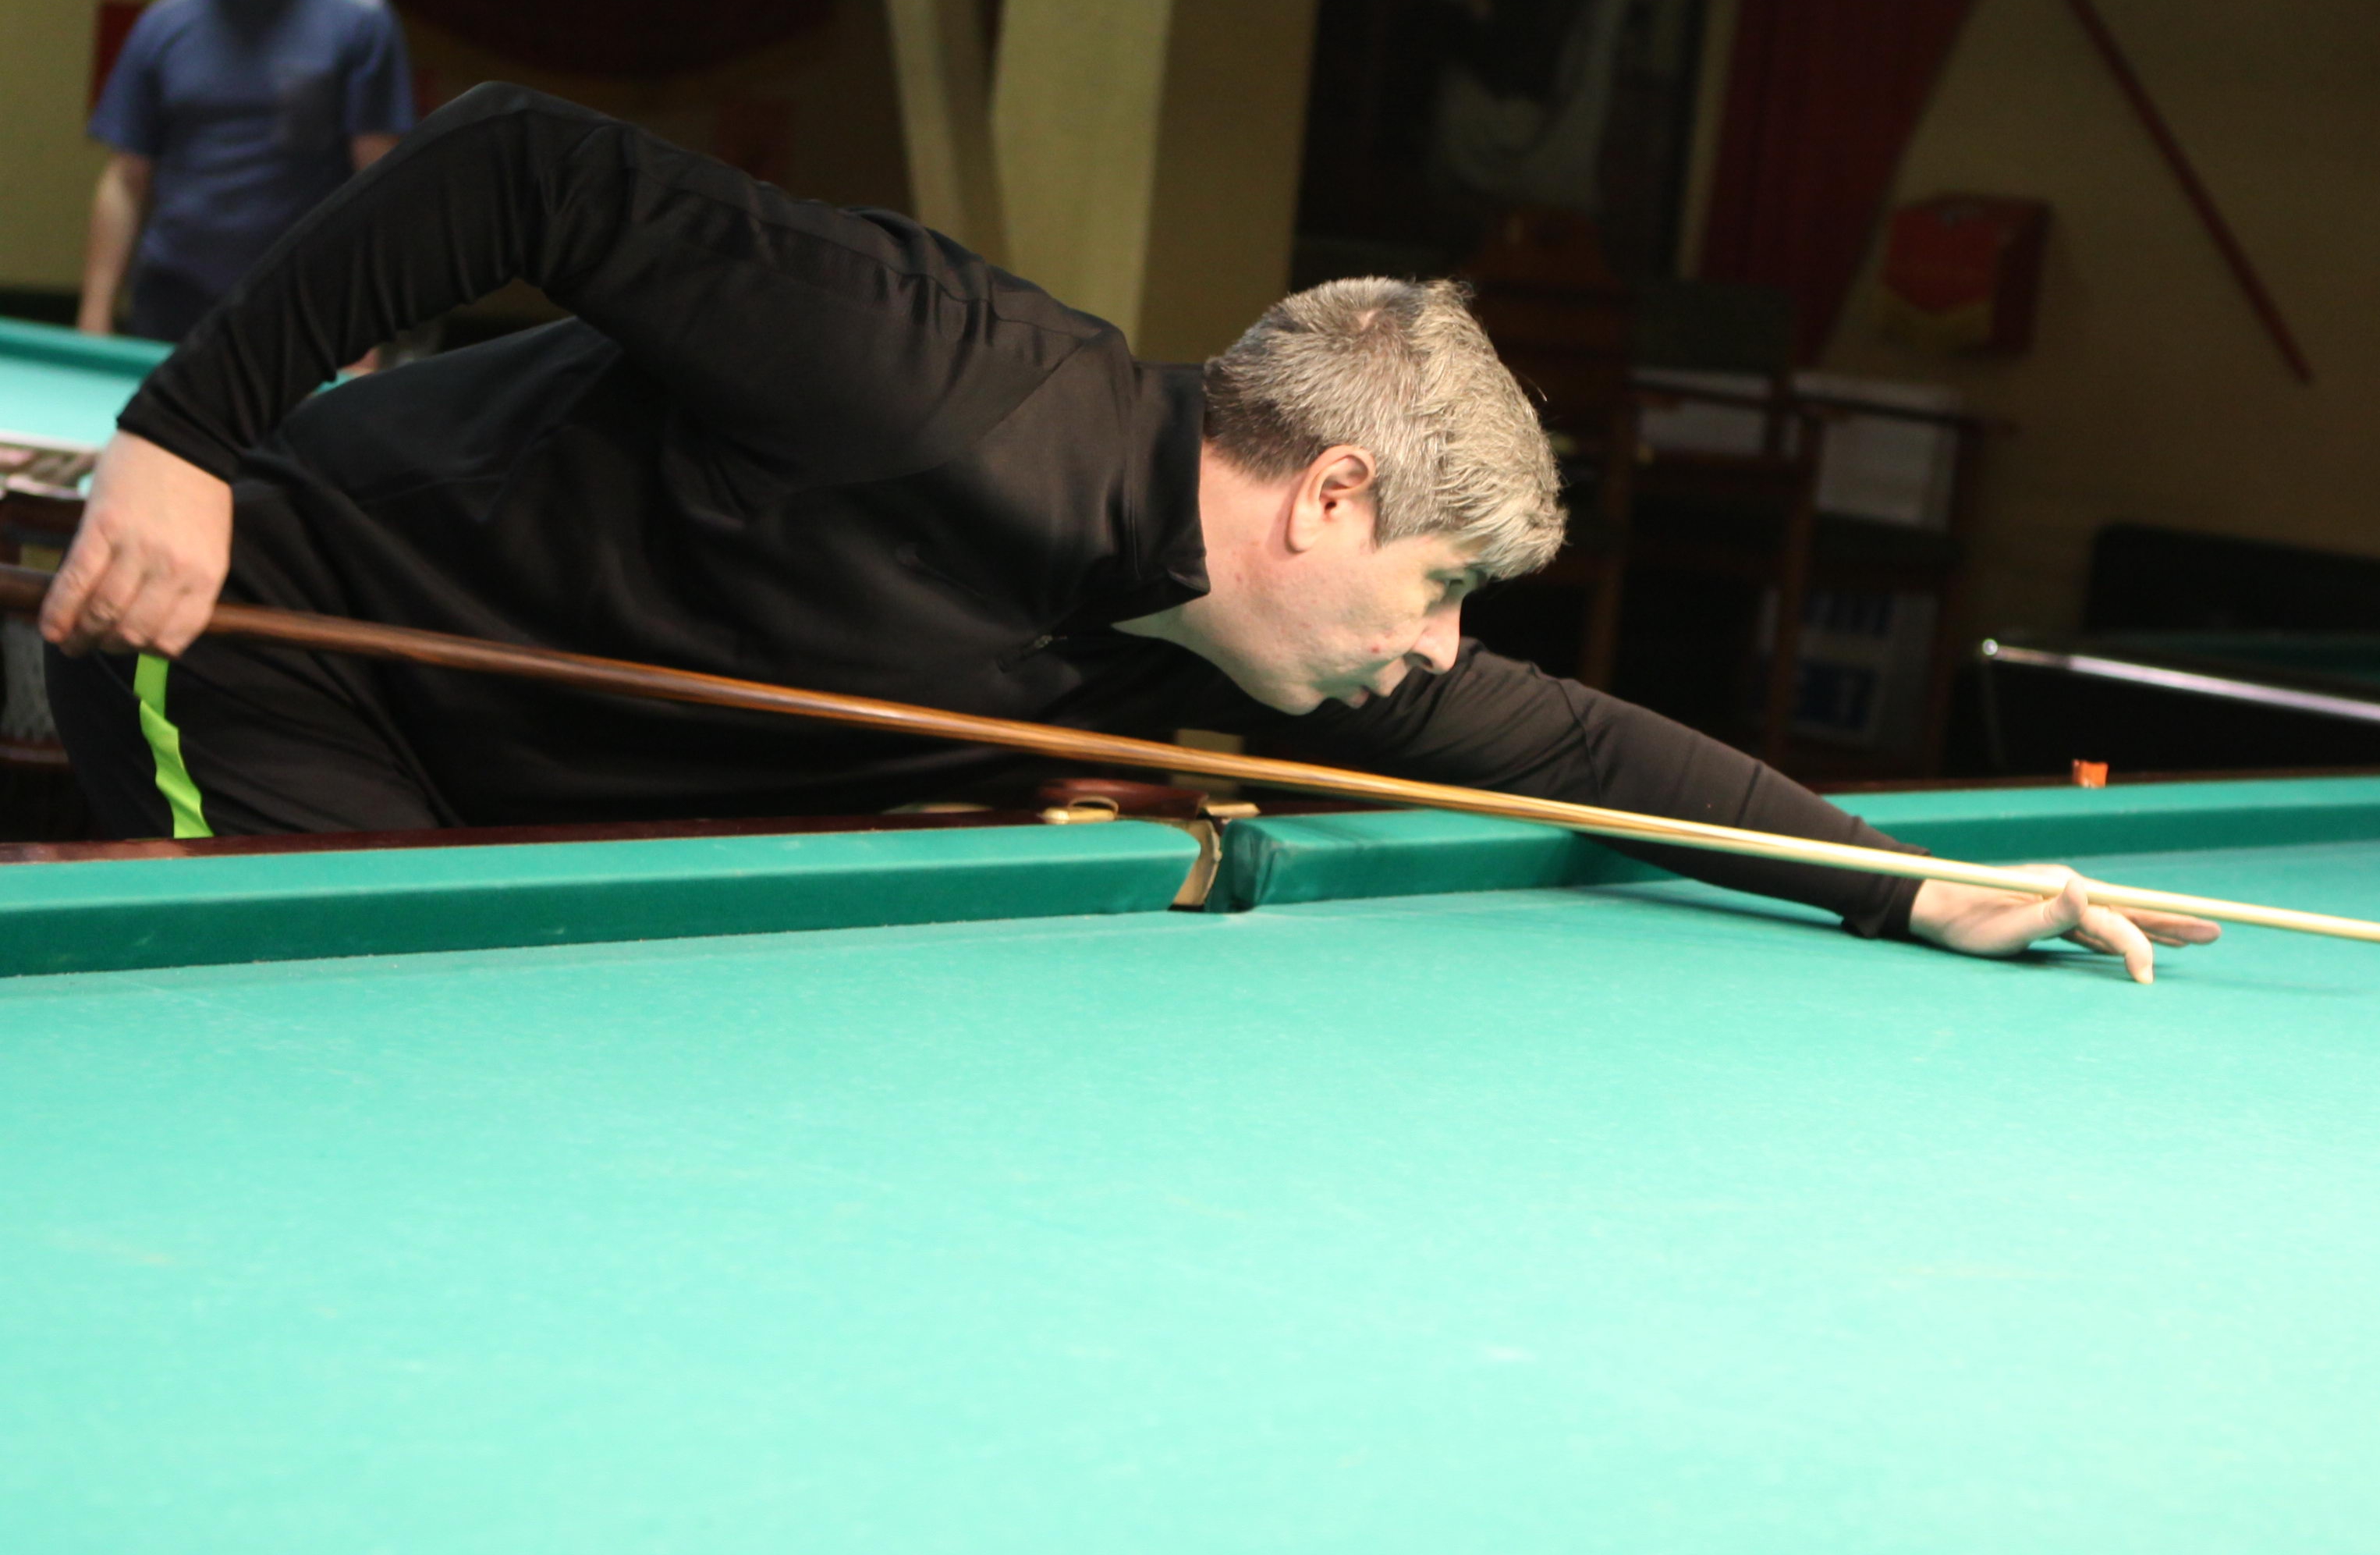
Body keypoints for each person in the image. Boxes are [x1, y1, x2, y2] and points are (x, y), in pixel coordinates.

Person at [38, 84, 2216, 983]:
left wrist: (1898, 876)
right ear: (1330, 496)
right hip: (286, 641)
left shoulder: (1258, 642)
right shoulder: (921, 368)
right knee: (334, 1003)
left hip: (531, 790)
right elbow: (516, 161)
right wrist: (187, 438)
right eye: (1440, 587)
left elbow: (1576, 747)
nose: (1436, 648)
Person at [77, 0, 417, 343]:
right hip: (171, 304)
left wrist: (364, 327)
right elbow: (126, 179)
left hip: (301, 307)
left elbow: (379, 184)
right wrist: (95, 316)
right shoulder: (161, 25)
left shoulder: (359, 21)